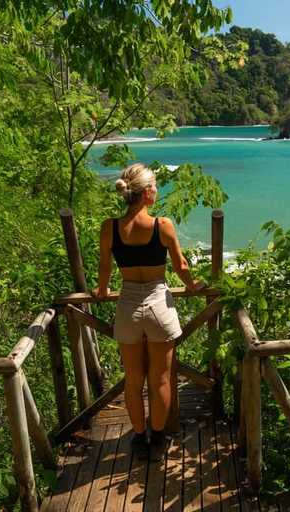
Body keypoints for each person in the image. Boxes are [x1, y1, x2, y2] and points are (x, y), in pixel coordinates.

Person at [92, 163, 203, 461]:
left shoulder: (110, 227)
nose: (157, 190)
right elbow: (181, 266)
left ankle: (138, 440)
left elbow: (105, 268)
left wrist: (102, 292)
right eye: (154, 185)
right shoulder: (162, 225)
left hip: (127, 304)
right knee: (161, 380)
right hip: (158, 303)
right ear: (144, 193)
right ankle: (157, 442)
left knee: (133, 380)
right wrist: (193, 286)